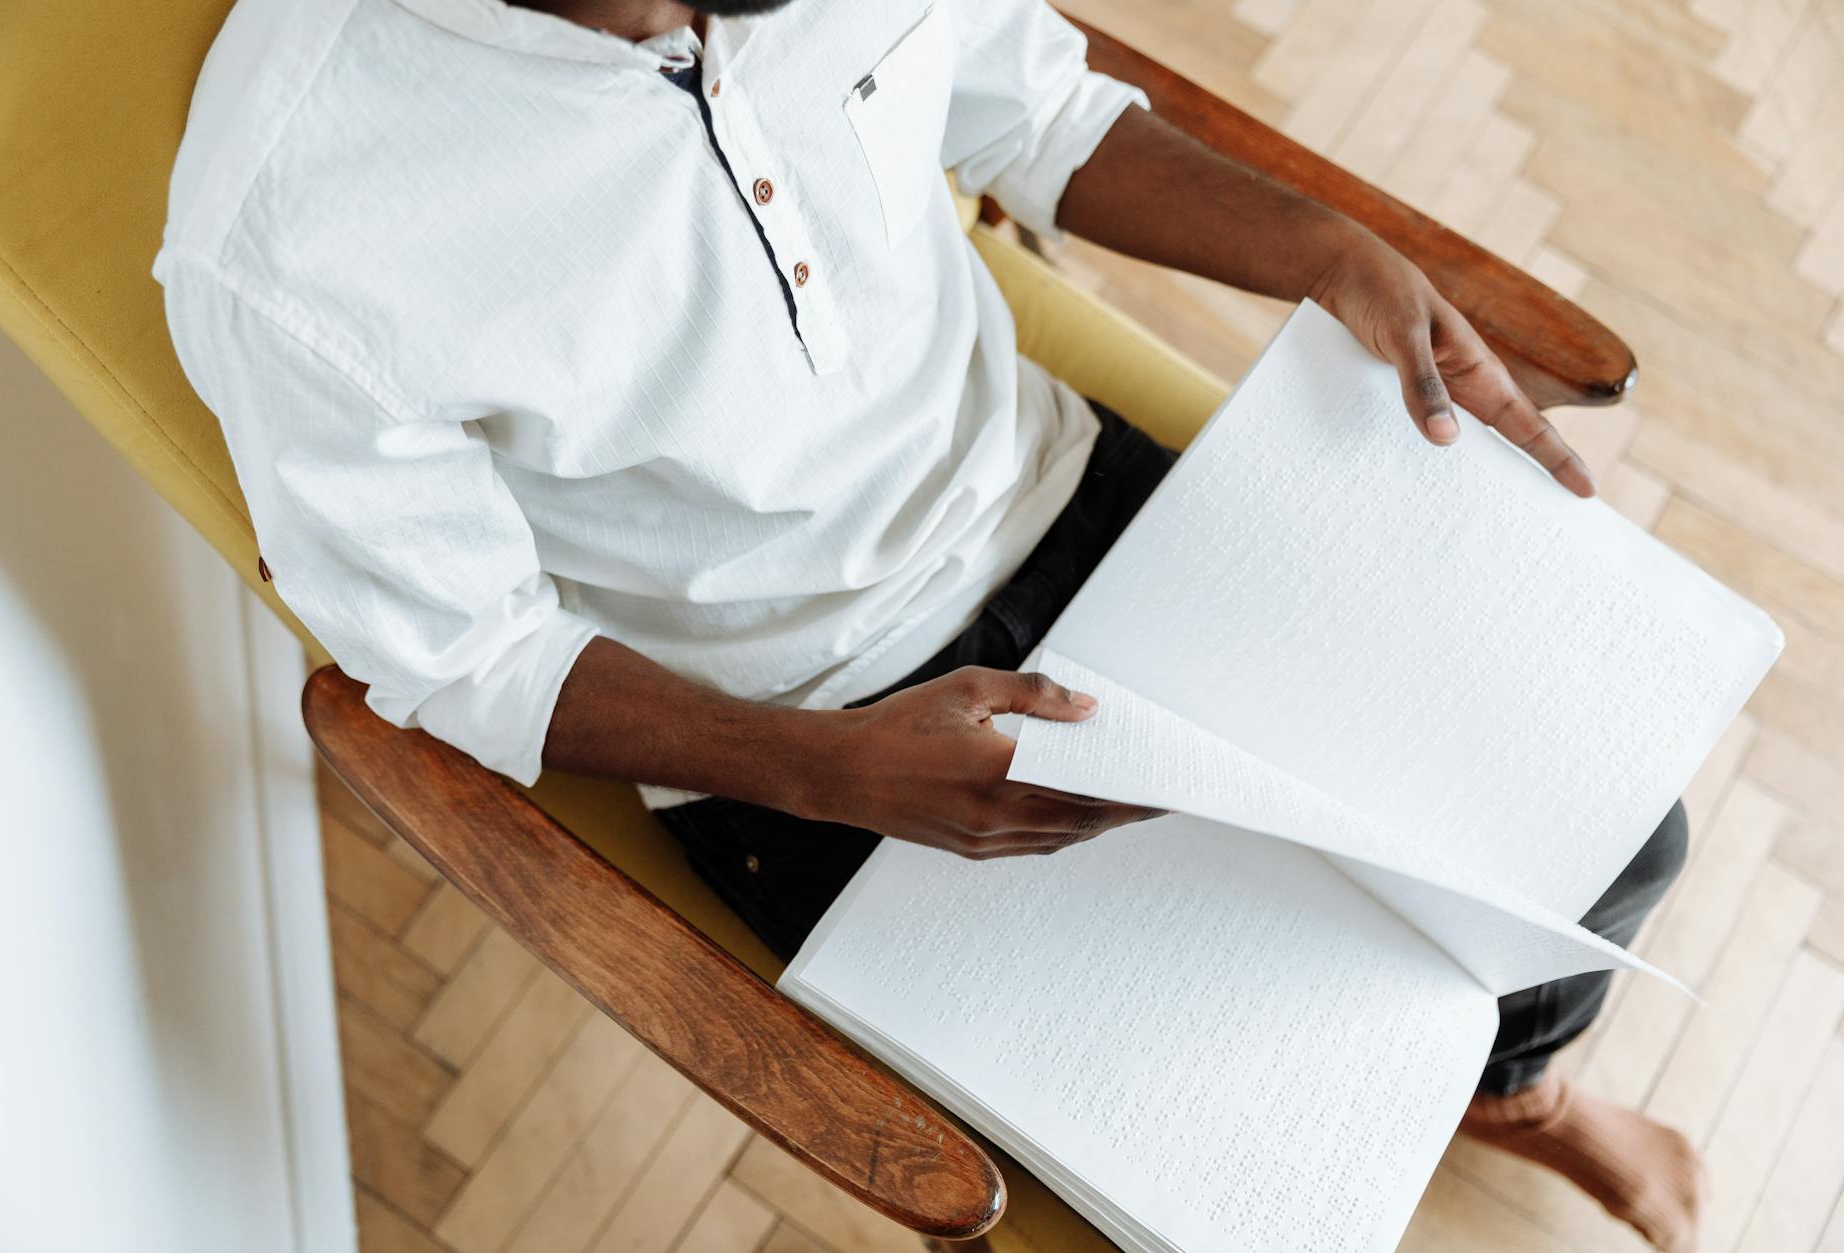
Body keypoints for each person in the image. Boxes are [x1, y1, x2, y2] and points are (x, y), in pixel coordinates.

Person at [154, 0, 1698, 1245]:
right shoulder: (291, 222)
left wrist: (1329, 253)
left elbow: (1035, 109)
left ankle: (1516, 1091)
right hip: (810, 718)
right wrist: (831, 770)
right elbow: (462, 651)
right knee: (1242, 1177)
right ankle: (1505, 1087)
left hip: (1068, 487)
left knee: (1617, 833)